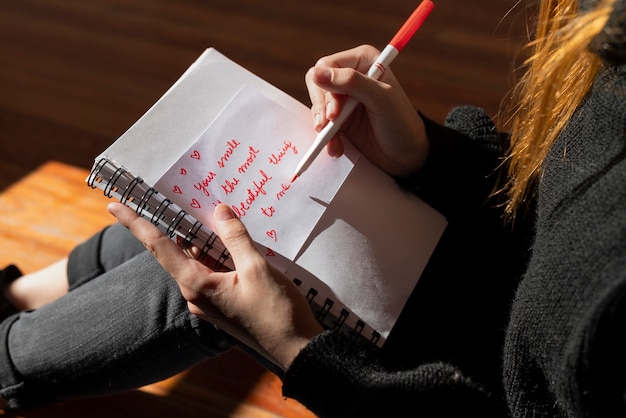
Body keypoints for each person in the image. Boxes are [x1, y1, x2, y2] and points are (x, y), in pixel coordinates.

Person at [1, 0, 624, 416]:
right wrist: (426, 158)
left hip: (475, 367)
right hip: (493, 275)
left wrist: (297, 348)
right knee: (211, 211)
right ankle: (24, 294)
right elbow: (554, 203)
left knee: (216, 265)